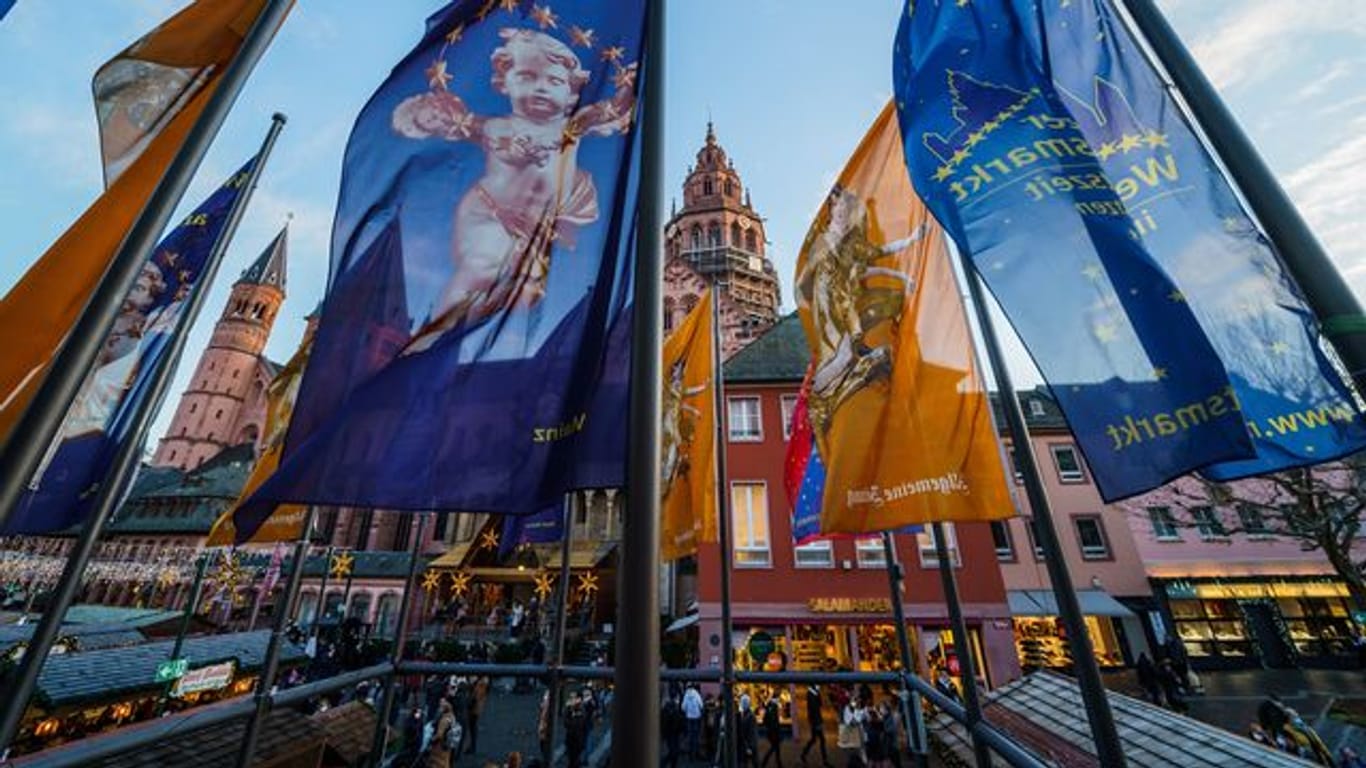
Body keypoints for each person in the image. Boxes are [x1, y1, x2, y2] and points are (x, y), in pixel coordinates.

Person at [392, 28, 638, 352]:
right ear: (503, 82)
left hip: (538, 228)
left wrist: (628, 83)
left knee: (516, 296)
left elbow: (611, 111)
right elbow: (451, 122)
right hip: (491, 212)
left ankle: (462, 348)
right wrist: (427, 114)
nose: (540, 88)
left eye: (554, 81)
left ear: (572, 90)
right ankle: (430, 340)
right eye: (526, 77)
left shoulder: (573, 126)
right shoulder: (496, 127)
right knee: (478, 270)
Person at [800, 684, 833, 768]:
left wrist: (818, 693)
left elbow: (820, 704)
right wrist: (817, 723)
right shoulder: (811, 696)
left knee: (814, 739)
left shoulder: (814, 694)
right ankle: (825, 760)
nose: (819, 687)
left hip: (816, 721)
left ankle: (804, 754)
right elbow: (814, 710)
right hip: (815, 722)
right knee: (822, 740)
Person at [427, 698, 458, 768]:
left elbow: (439, 735)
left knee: (437, 762)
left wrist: (432, 739)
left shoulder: (444, 720)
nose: (440, 707)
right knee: (446, 761)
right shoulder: (452, 716)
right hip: (448, 746)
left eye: (441, 706)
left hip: (440, 746)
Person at [467, 675, 490, 755]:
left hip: (475, 706)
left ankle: (472, 746)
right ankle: (472, 746)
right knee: (472, 726)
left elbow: (476, 695)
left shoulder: (481, 682)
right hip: (477, 705)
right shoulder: (483, 681)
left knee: (472, 725)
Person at [662, 690, 685, 768]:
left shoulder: (667, 708)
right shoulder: (675, 708)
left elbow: (664, 721)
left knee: (672, 751)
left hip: (670, 732)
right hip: (674, 733)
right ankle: (665, 764)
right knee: (674, 751)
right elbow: (678, 720)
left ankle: (665, 764)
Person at [760, 694, 784, 767]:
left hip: (771, 731)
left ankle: (779, 764)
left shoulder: (769, 706)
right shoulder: (774, 707)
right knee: (774, 748)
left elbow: (765, 720)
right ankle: (764, 762)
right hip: (774, 732)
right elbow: (774, 721)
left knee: (776, 749)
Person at [682, 683, 704, 758]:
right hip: (696, 716)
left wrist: (687, 712)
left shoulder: (686, 694)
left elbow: (683, 707)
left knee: (690, 734)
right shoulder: (697, 694)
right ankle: (695, 752)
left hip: (689, 717)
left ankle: (690, 753)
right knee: (696, 735)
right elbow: (701, 705)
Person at [737, 694, 759, 768]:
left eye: (743, 702)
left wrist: (749, 747)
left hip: (750, 744)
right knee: (748, 762)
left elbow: (752, 732)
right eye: (742, 702)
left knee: (753, 762)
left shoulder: (750, 716)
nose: (742, 704)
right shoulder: (745, 714)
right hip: (747, 744)